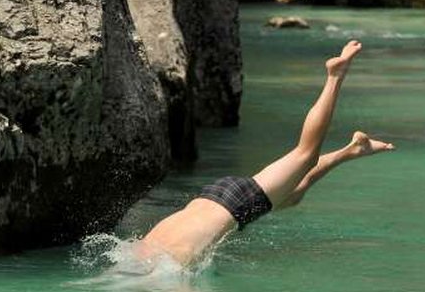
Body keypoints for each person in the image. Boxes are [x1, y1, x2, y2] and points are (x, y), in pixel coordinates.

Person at [136, 40, 395, 266]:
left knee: (305, 155)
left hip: (234, 204)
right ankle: (351, 150)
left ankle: (335, 76)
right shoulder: (143, 254)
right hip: (215, 196)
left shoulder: (168, 261)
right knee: (292, 196)